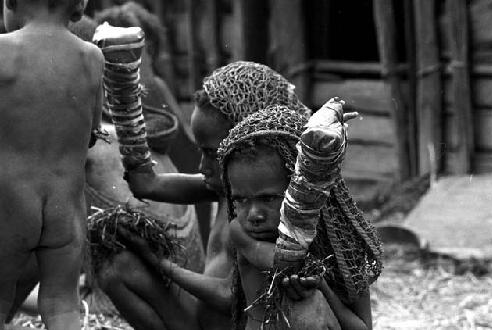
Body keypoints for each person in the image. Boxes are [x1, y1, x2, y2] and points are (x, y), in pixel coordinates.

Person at [98, 61, 311, 330]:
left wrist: (160, 262)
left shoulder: (271, 207)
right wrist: (129, 124)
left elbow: (233, 299)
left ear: (248, 145)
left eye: (211, 153)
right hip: (201, 318)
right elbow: (147, 185)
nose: (201, 166)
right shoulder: (229, 184)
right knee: (115, 268)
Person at [217, 104, 383, 329]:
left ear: (303, 192)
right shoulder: (242, 232)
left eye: (268, 199)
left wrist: (323, 289)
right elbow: (286, 263)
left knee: (310, 303)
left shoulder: (345, 250)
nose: (254, 214)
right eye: (241, 200)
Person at [0, 0, 101, 329]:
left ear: (11, 2)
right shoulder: (91, 58)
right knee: (62, 304)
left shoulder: (3, 52)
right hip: (65, 207)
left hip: (9, 205)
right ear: (80, 4)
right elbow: (92, 134)